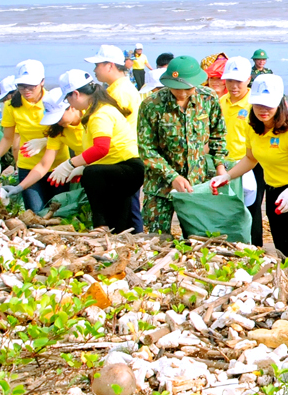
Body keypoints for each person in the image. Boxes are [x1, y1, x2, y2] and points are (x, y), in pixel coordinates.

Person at [210, 75, 288, 259]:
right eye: (258, 105)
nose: (262, 110)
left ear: (280, 104)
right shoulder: (252, 127)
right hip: (273, 190)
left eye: (268, 105)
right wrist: (227, 177)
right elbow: (250, 159)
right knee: (281, 248)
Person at [137, 56, 228, 235]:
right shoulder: (151, 105)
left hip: (197, 182)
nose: (182, 93)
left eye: (187, 88)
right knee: (156, 239)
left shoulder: (208, 99)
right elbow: (146, 150)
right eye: (176, 88)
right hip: (159, 185)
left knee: (197, 237)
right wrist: (173, 177)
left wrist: (220, 166)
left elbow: (218, 135)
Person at [47, 73, 144, 233]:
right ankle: (118, 234)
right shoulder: (96, 111)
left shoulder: (100, 114)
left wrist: (70, 164)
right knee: (121, 220)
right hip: (117, 167)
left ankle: (101, 225)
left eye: (68, 99)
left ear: (76, 94)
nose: (69, 103)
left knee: (91, 174)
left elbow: (101, 148)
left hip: (128, 168)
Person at [0, 60, 68, 212]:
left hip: (57, 165)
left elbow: (68, 131)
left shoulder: (54, 101)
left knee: (58, 212)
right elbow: (8, 138)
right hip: (28, 166)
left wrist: (45, 141)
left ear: (42, 82)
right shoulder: (11, 106)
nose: (26, 90)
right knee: (35, 212)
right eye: (21, 85)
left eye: (31, 85)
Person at [86, 44, 143, 232]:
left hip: (121, 157)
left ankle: (135, 244)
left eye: (97, 65)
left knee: (127, 211)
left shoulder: (119, 93)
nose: (94, 70)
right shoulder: (120, 88)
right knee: (127, 208)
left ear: (110, 65)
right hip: (122, 157)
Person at [0, 82, 85, 204]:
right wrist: (20, 187)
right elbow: (44, 164)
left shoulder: (89, 118)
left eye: (59, 117)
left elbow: (102, 148)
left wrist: (76, 165)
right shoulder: (58, 129)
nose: (58, 122)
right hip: (86, 168)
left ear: (71, 106)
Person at [220, 56, 264, 247]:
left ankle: (255, 248)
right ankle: (231, 245)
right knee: (227, 209)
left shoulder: (255, 104)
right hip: (225, 163)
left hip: (253, 163)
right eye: (230, 80)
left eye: (238, 81)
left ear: (248, 79)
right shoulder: (221, 102)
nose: (234, 85)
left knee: (252, 210)